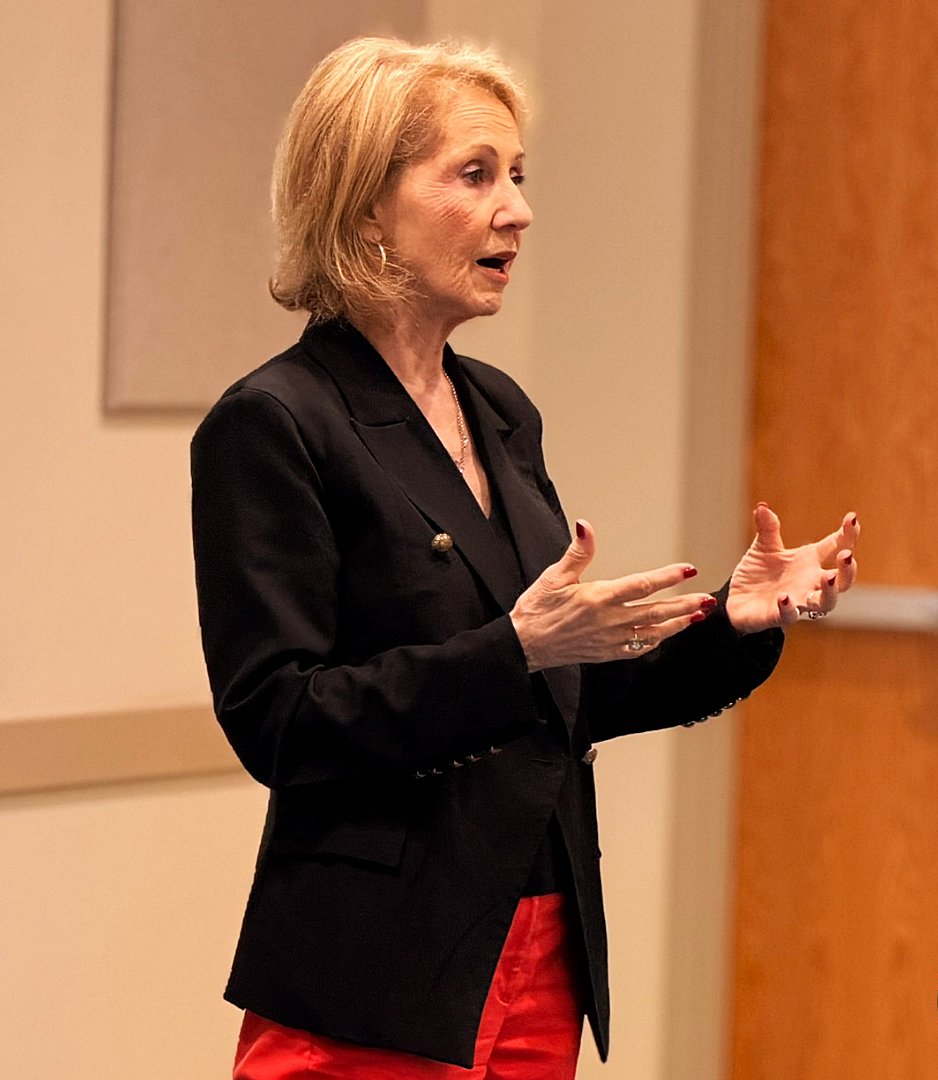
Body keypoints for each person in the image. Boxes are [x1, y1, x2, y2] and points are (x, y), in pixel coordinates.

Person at [190, 36, 859, 1080]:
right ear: (367, 204)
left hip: (541, 937)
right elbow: (280, 720)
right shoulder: (276, 422)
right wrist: (514, 651)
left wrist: (732, 621)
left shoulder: (500, 410)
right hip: (379, 967)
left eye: (517, 175)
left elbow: (561, 692)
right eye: (475, 174)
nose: (518, 208)